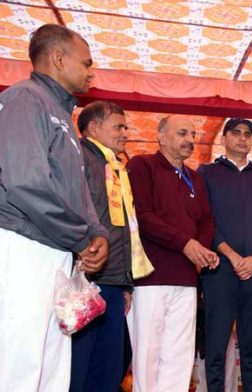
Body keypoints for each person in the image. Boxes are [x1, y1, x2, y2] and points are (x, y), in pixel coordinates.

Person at [0, 24, 109, 391]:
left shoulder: (62, 114)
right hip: (24, 246)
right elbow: (24, 183)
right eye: (87, 62)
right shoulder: (24, 99)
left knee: (52, 365)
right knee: (20, 361)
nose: (92, 71)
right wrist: (80, 237)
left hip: (57, 250)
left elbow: (77, 191)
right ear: (59, 59)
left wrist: (96, 234)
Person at [127, 115, 219, 392]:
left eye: (193, 134)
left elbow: (207, 219)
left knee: (179, 355)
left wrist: (200, 250)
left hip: (187, 279)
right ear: (161, 136)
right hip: (151, 278)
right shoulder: (142, 165)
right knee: (148, 354)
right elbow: (142, 215)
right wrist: (186, 244)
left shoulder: (195, 176)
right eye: (182, 133)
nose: (190, 140)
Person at [71, 101, 153, 392]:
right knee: (79, 367)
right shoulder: (79, 157)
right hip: (86, 280)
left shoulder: (116, 166)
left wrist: (126, 284)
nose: (125, 133)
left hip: (114, 281)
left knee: (111, 366)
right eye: (118, 126)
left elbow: (124, 228)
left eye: (125, 127)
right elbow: (74, 213)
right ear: (93, 128)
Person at [198, 118, 252, 392]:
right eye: (236, 133)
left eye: (247, 135)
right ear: (224, 139)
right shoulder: (207, 173)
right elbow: (205, 221)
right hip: (219, 270)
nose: (243, 139)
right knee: (216, 345)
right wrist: (232, 257)